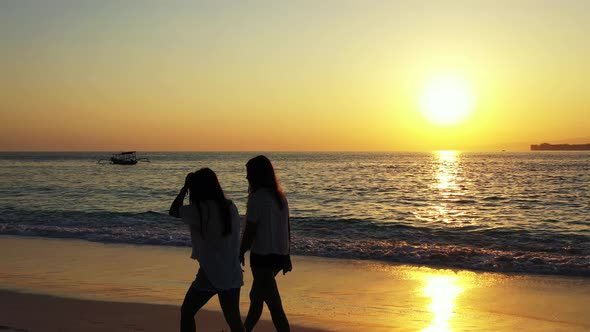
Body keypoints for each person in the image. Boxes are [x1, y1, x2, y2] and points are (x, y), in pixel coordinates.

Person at [169, 168, 245, 332]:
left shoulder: (201, 209)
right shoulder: (230, 207)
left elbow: (174, 210)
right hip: (232, 271)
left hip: (211, 273)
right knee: (234, 321)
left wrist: (184, 188)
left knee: (187, 311)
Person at [240, 155, 292, 332]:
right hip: (278, 256)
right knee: (257, 296)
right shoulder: (280, 197)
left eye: (248, 174)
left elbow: (250, 232)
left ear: (257, 175)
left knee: (274, 304)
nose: (246, 178)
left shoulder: (257, 199)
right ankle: (245, 329)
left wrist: (239, 252)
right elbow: (287, 228)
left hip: (262, 258)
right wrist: (287, 255)